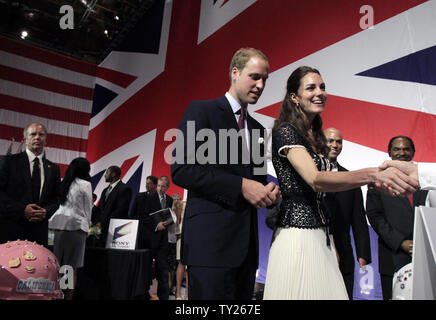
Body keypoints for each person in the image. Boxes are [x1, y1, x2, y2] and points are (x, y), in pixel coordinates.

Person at [262, 66, 418, 300]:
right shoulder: (286, 131)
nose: (319, 92)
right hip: (297, 236)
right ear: (294, 97)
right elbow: (315, 179)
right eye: (311, 88)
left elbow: (328, 189)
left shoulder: (313, 135)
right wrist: (372, 174)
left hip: (322, 236)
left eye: (322, 87)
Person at [171, 47, 281, 300]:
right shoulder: (201, 111)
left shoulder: (256, 129)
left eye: (265, 79)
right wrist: (241, 185)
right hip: (209, 246)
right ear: (234, 72)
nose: (260, 84)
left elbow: (257, 184)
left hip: (246, 251)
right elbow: (182, 170)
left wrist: (269, 193)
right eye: (254, 76)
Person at [366, 136, 428, 300]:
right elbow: (374, 215)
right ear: (389, 153)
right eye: (397, 149)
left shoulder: (427, 179)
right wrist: (400, 242)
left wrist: (424, 242)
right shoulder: (378, 179)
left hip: (426, 254)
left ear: (413, 152)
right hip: (393, 254)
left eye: (406, 149)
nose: (402, 152)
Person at [323, 128, 371, 299]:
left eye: (338, 141)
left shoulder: (351, 178)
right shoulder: (307, 174)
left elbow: (358, 219)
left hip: (343, 252)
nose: (335, 145)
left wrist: (363, 254)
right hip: (315, 248)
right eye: (330, 140)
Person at [0, 123, 61, 246]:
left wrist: (46, 211)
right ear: (25, 139)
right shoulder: (9, 162)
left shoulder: (53, 168)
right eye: (33, 134)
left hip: (38, 232)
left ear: (46, 140)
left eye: (41, 134)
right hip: (11, 230)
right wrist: (22, 210)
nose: (37, 137)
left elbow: (56, 198)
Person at [48, 157, 93, 300]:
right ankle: (67, 297)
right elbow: (87, 209)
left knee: (59, 265)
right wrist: (89, 224)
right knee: (70, 267)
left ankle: (55, 294)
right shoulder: (85, 184)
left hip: (60, 227)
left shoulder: (64, 183)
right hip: (76, 228)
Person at [130, 176, 173, 300]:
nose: (160, 188)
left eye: (163, 186)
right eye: (159, 185)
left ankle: (163, 297)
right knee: (145, 270)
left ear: (167, 187)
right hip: (148, 240)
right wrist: (156, 225)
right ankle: (143, 295)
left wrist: (170, 221)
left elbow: (166, 216)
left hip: (163, 241)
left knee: (163, 271)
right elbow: (143, 216)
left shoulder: (169, 200)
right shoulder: (148, 197)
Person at [94, 165, 132, 246]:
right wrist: (98, 222)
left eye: (107, 172)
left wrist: (103, 223)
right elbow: (100, 208)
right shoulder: (105, 190)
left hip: (114, 231)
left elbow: (121, 210)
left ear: (113, 174)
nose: (105, 175)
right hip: (101, 231)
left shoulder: (124, 189)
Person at [173, 194, 188, 300]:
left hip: (195, 238)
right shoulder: (183, 203)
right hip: (182, 236)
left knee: (191, 266)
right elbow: (177, 222)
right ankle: (178, 293)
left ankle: (187, 294)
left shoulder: (198, 204)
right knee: (181, 263)